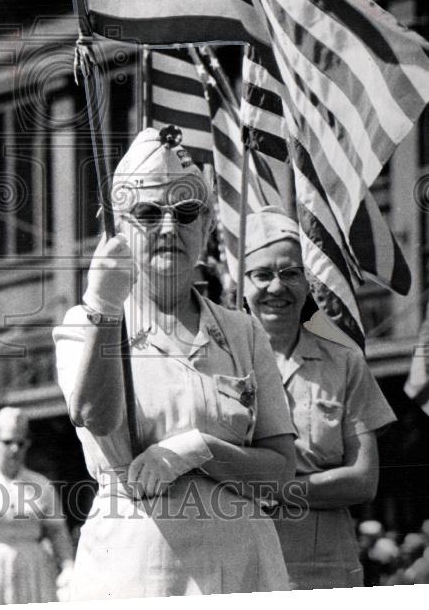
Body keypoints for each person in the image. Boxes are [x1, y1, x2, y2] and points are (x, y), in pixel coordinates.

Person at [52, 126, 296, 599]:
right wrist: (105, 308)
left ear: (206, 228)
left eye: (185, 214)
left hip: (241, 566)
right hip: (139, 565)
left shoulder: (242, 331)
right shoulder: (85, 322)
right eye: (148, 213)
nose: (169, 228)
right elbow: (95, 416)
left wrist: (202, 449)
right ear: (118, 226)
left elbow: (280, 472)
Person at [242, 206, 396, 589]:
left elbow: (363, 480)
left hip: (323, 571)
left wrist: (275, 490)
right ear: (241, 282)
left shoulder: (344, 363)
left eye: (291, 274)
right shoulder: (218, 361)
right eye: (262, 274)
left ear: (308, 282)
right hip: (240, 564)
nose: (277, 288)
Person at [0, 406, 74, 605]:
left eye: (21, 443)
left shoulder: (41, 484)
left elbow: (57, 532)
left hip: (31, 568)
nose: (15, 449)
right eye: (7, 442)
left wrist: (67, 566)